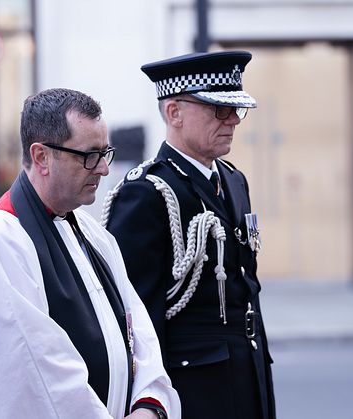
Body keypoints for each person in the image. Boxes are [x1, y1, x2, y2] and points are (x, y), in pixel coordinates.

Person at [0, 88, 180, 418]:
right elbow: (36, 375)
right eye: (89, 156)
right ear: (41, 157)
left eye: (105, 152)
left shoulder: (95, 237)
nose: (104, 169)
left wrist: (150, 405)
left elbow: (140, 338)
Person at [103, 51, 275, 419]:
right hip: (194, 388)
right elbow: (136, 314)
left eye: (236, 110)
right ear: (174, 113)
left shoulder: (233, 180)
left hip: (247, 372)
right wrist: (148, 401)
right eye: (218, 109)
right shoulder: (146, 192)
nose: (232, 121)